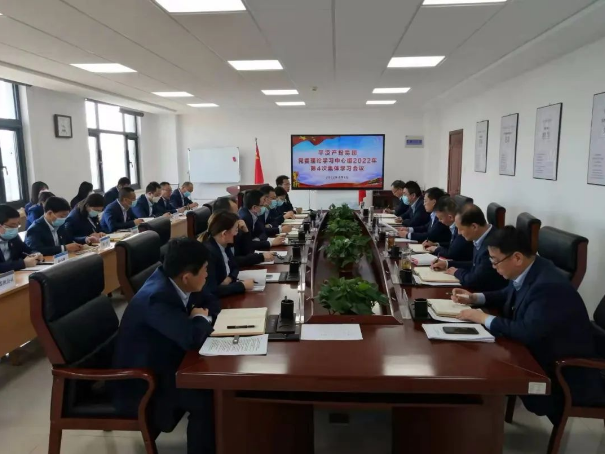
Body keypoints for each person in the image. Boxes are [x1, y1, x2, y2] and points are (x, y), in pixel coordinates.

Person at [453, 227, 605, 423]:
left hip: (562, 375)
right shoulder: (534, 267)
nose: (493, 266)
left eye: (495, 261)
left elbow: (526, 331)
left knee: (483, 364)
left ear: (517, 258)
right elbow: (507, 294)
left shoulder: (548, 286)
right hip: (539, 353)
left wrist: (483, 318)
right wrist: (475, 298)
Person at [112, 238, 217, 454]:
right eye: (205, 270)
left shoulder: (173, 279)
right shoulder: (157, 297)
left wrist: (199, 316)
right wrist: (200, 318)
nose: (207, 274)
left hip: (165, 361)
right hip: (143, 383)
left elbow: (210, 301)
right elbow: (190, 338)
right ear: (187, 276)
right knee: (207, 397)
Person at [431, 205, 507, 291]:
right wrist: (447, 264)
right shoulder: (482, 236)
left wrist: (457, 272)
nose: (459, 233)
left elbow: (474, 280)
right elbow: (475, 265)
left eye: (461, 229)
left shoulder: (492, 245)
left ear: (474, 227)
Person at [200, 211, 255, 298]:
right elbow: (212, 290)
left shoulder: (225, 245)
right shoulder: (209, 253)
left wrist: (229, 279)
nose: (237, 233)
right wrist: (242, 286)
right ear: (224, 234)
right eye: (236, 230)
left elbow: (235, 267)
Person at [210, 197, 274, 267]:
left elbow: (248, 252)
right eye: (235, 213)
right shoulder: (219, 238)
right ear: (225, 216)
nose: (239, 216)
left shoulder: (234, 230)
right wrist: (260, 257)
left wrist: (246, 232)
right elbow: (231, 261)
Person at [426, 197, 473, 262]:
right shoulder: (453, 227)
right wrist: (436, 244)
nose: (439, 221)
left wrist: (436, 249)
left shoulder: (460, 229)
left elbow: (451, 253)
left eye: (441, 218)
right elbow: (453, 245)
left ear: (450, 217)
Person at [0, 205, 43, 272]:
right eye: (12, 225)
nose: (15, 229)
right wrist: (23, 263)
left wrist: (36, 254)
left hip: (15, 275)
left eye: (17, 225)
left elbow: (26, 250)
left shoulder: (14, 237)